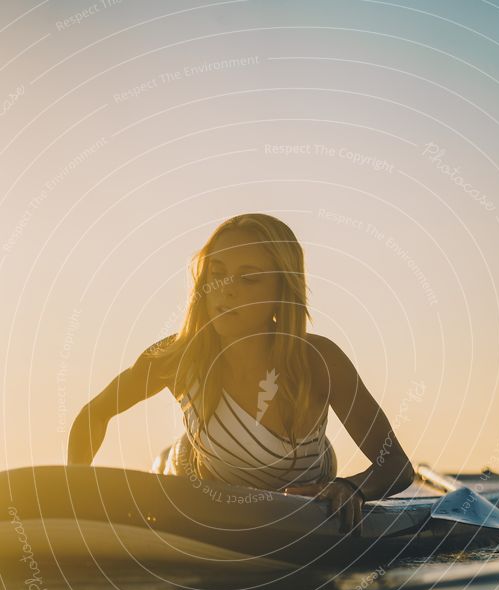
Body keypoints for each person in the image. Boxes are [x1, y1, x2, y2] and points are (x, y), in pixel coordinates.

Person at [68, 212, 414, 534]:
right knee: (176, 461)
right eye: (216, 274)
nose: (227, 290)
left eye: (249, 278)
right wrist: (74, 496)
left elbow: (396, 465)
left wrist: (351, 487)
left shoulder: (318, 360)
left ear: (282, 289)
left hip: (305, 489)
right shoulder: (174, 356)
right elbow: (93, 416)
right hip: (193, 477)